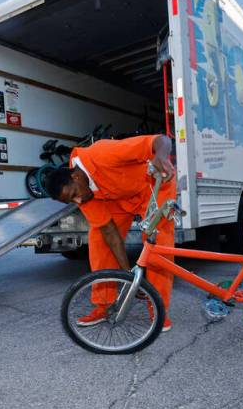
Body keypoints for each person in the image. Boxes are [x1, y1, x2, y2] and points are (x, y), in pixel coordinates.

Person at [45, 135, 176, 331]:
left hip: (152, 188)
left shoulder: (103, 153)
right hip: (118, 199)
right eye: (71, 201)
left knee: (158, 245)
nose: (78, 202)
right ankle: (104, 305)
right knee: (99, 241)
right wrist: (128, 276)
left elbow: (160, 140)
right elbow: (109, 232)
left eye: (74, 195)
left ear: (76, 176)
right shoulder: (83, 194)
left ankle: (158, 310)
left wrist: (162, 157)